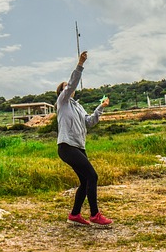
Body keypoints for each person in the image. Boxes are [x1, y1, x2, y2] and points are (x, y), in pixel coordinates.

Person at [56, 51, 113, 228]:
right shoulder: (62, 102)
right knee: (92, 176)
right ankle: (95, 215)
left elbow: (89, 122)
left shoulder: (78, 106)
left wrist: (101, 107)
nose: (70, 89)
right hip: (66, 146)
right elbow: (72, 83)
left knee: (85, 181)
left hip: (79, 147)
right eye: (67, 88)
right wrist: (80, 64)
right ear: (63, 92)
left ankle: (74, 215)